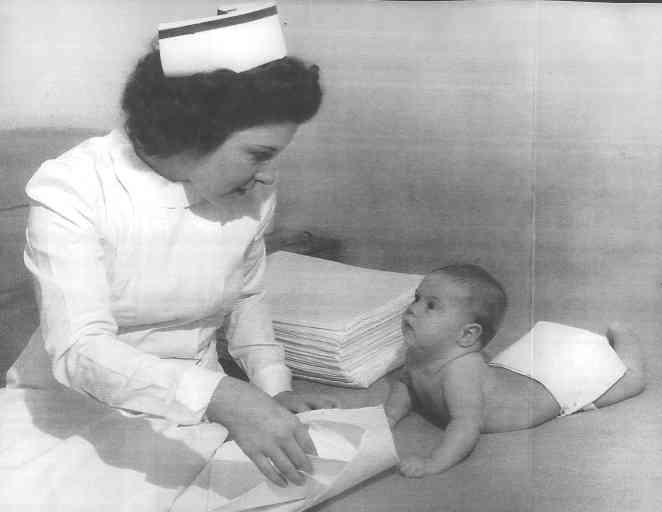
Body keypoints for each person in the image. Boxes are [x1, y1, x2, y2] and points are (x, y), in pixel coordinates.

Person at [3, 6, 338, 504]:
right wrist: (224, 398)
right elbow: (80, 350)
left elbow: (248, 298)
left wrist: (272, 390)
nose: (268, 176)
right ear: (189, 132)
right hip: (66, 409)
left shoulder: (254, 193)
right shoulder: (72, 187)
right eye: (259, 153)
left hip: (201, 416)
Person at [384, 264, 646, 478]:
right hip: (516, 374)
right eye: (417, 298)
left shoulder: (461, 371)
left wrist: (434, 462)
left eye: (431, 306)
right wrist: (389, 416)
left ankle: (626, 345)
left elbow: (465, 424)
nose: (413, 308)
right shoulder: (418, 353)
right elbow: (407, 384)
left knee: (619, 384)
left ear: (467, 334)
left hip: (546, 392)